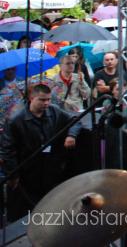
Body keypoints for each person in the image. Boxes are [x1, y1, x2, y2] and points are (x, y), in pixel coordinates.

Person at [0, 84, 82, 220]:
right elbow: (8, 149)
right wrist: (13, 175)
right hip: (27, 172)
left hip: (50, 170)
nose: (46, 103)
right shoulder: (16, 120)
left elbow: (75, 119)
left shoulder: (54, 111)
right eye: (42, 100)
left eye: (48, 100)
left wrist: (71, 135)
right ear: (32, 98)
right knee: (24, 212)